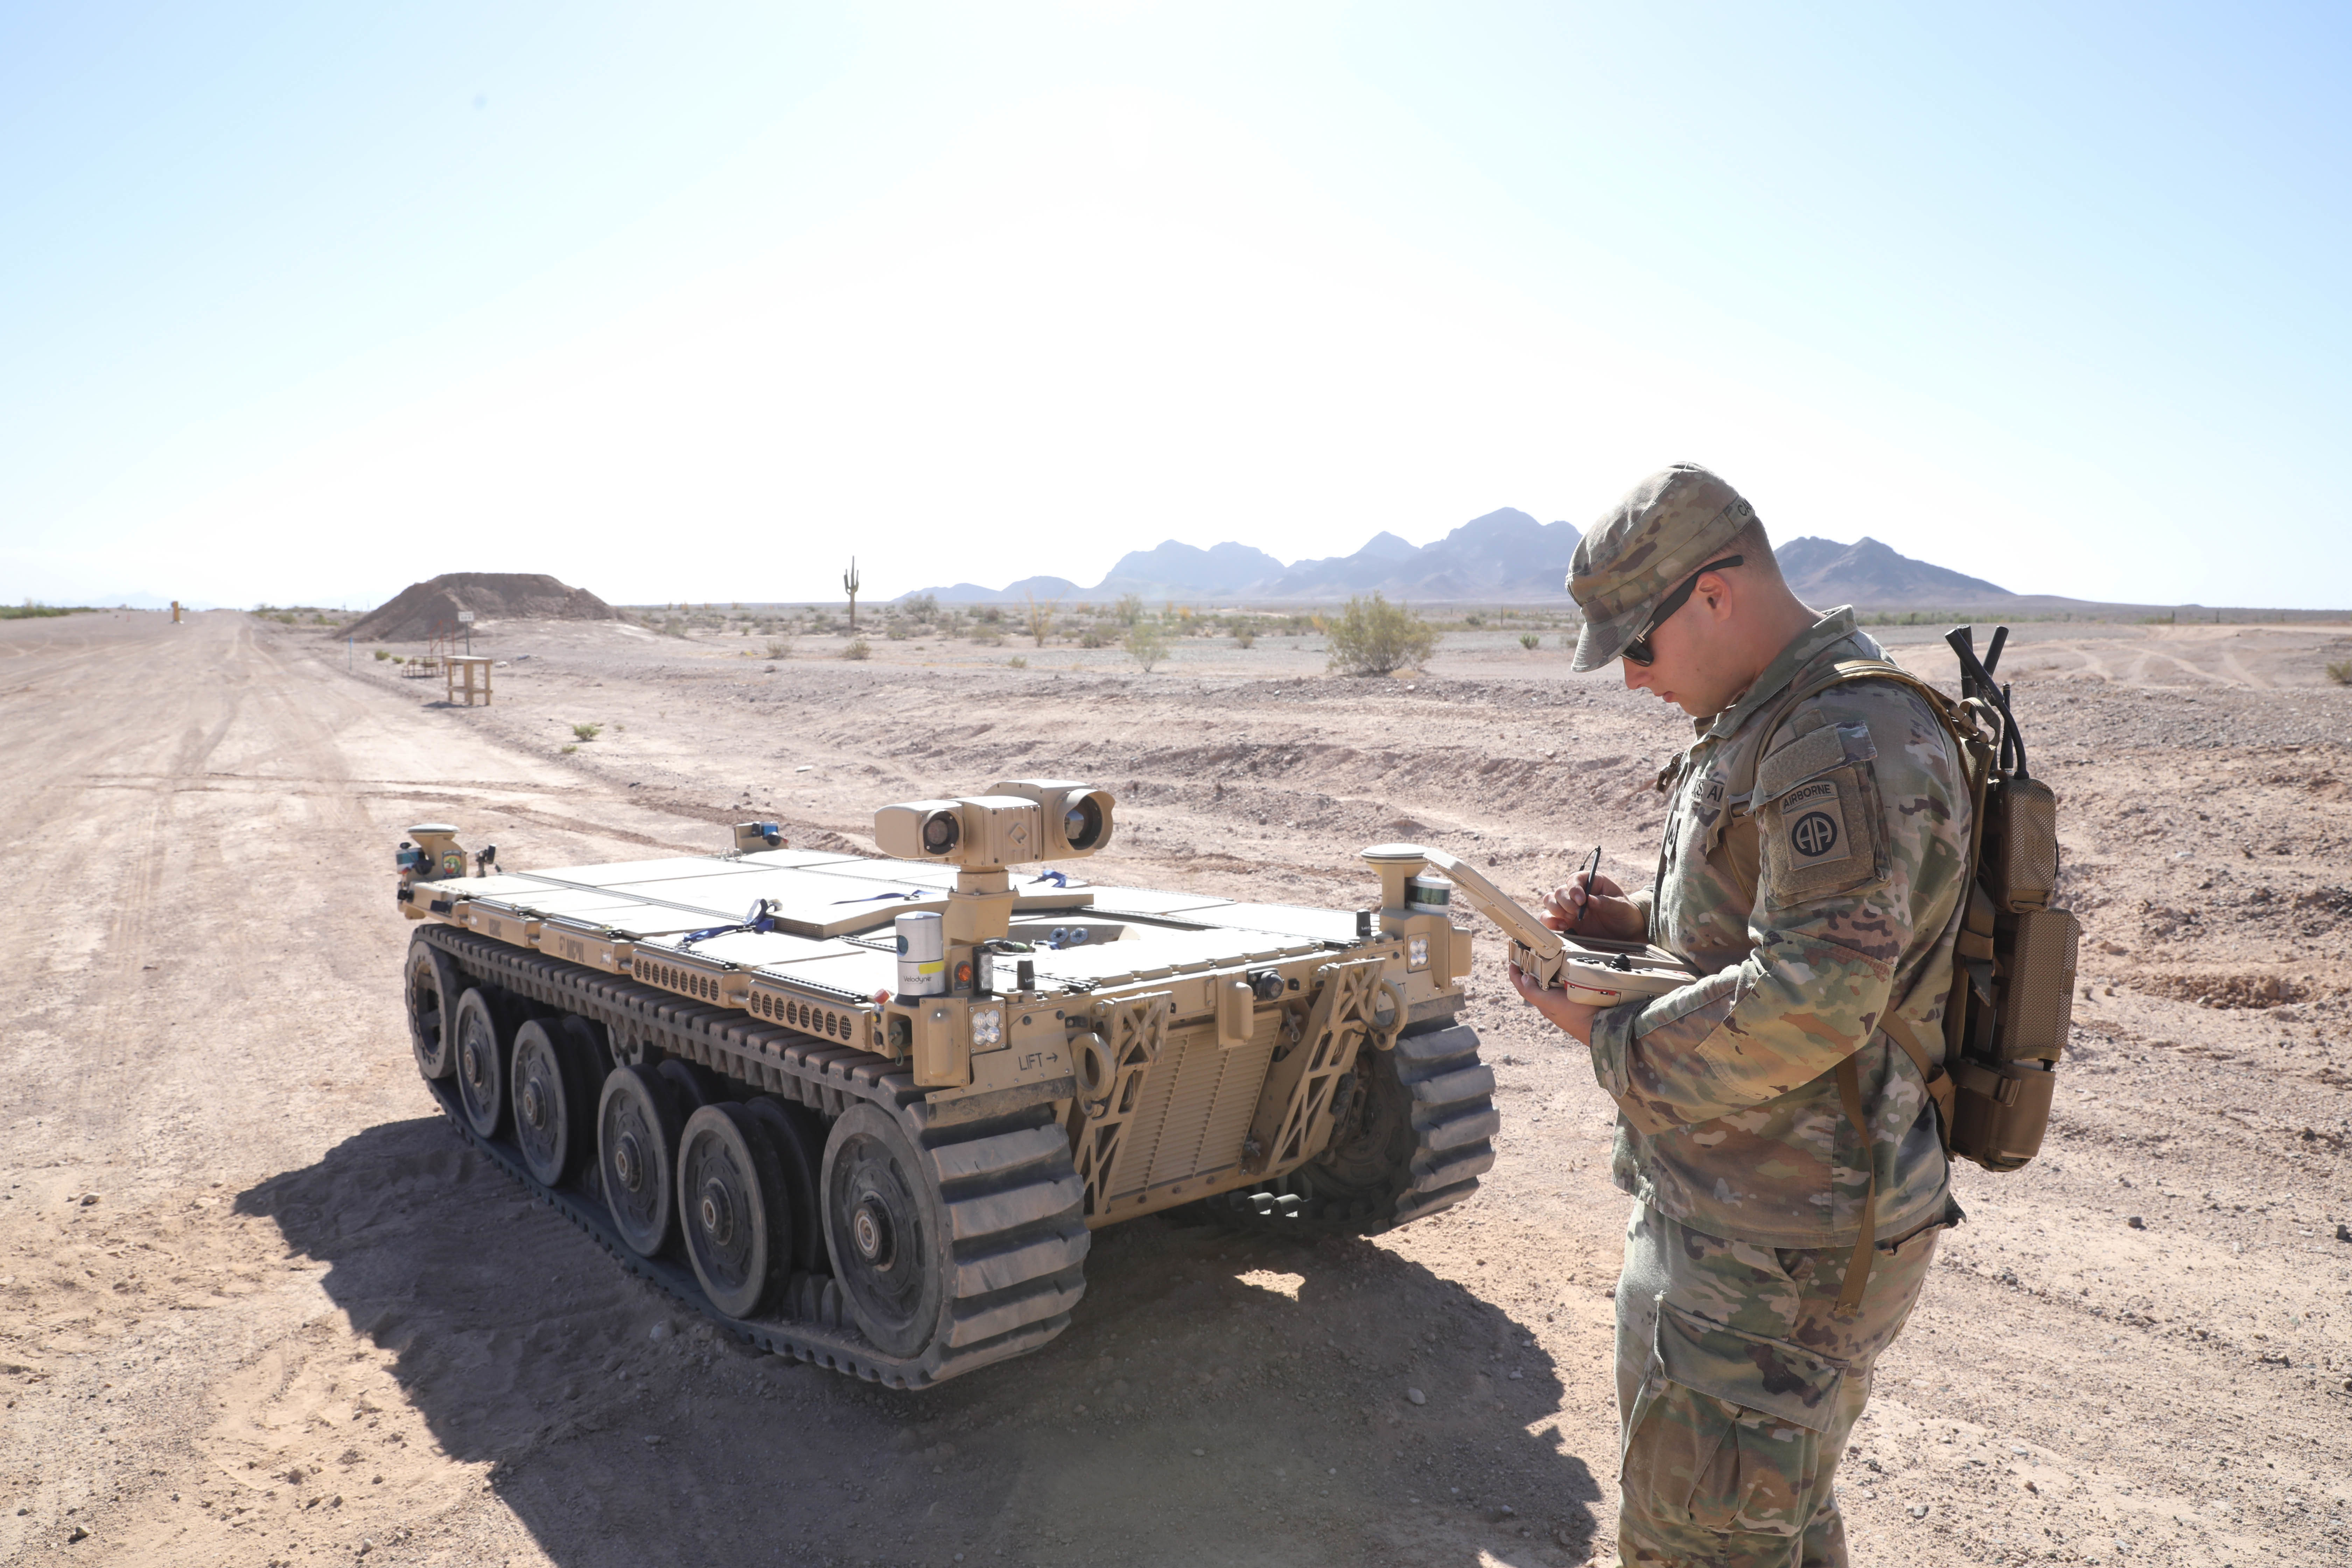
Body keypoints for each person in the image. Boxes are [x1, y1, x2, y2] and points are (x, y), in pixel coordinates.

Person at [1507, 464, 1971, 1567]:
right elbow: (1792, 928)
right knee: (1767, 1529)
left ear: (1714, 594)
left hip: (1776, 1245)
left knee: (1703, 1544)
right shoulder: (1775, 716)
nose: (1632, 679)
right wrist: (1631, 926)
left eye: (1638, 645)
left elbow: (1818, 995)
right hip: (1756, 1219)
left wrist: (1610, 1039)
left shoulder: (1836, 732)